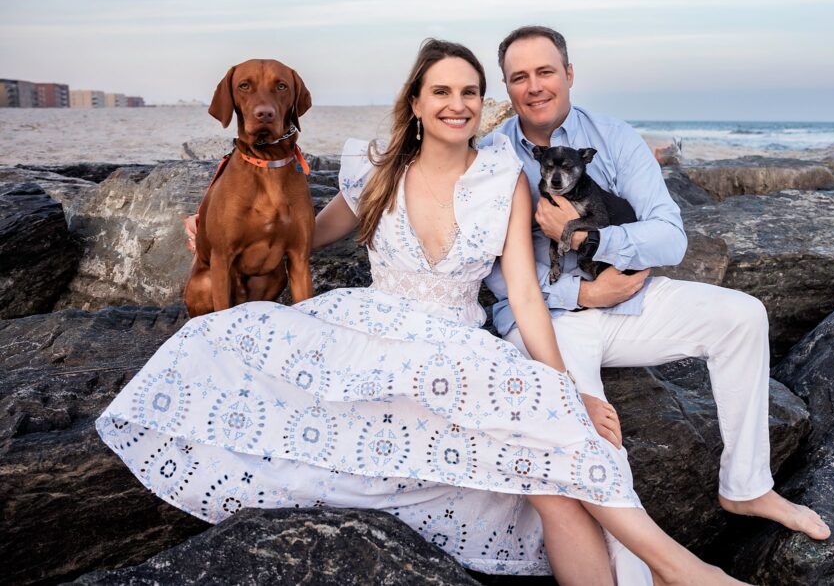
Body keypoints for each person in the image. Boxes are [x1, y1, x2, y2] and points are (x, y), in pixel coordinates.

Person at [95, 39, 749, 585]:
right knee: (218, 342)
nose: (457, 103)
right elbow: (302, 235)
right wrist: (209, 225)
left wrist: (571, 386)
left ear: (481, 103)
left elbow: (524, 294)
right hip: (373, 336)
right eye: (441, 91)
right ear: (416, 102)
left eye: (469, 91)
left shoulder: (504, 180)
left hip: (462, 344)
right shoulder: (376, 172)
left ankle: (678, 570)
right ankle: (688, 571)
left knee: (558, 470)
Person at [483, 25, 832, 542]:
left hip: (628, 301)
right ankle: (634, 563)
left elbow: (669, 238)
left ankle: (747, 486)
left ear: (569, 74)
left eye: (545, 72)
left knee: (743, 315)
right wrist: (579, 293)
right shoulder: (492, 155)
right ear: (507, 88)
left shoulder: (617, 139)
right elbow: (487, 266)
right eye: (519, 77)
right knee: (597, 437)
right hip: (547, 322)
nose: (534, 86)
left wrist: (588, 242)